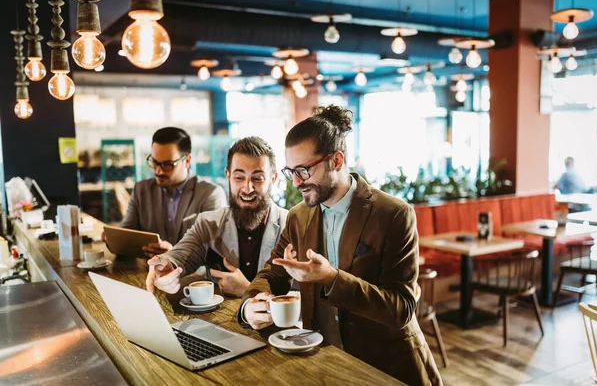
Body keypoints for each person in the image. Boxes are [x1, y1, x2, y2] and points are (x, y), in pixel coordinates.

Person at [239, 106, 442, 385]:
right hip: (325, 364)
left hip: (387, 367)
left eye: (304, 170)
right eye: (291, 172)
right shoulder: (298, 216)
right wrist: (252, 302)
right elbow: (271, 274)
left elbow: (401, 309)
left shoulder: (394, 214)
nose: (296, 182)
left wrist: (333, 279)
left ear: (336, 160)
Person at [145, 136, 288, 297]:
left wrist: (248, 291)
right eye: (239, 177)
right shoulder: (208, 222)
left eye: (257, 178)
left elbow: (302, 296)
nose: (247, 188)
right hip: (218, 320)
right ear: (228, 175)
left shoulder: (292, 226)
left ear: (273, 179)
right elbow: (179, 254)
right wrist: (164, 265)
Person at [120, 127, 227, 257]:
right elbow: (126, 234)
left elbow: (215, 251)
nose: (158, 171)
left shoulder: (210, 194)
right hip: (149, 272)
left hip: (193, 276)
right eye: (154, 162)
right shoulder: (141, 190)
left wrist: (173, 256)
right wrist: (113, 239)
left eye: (167, 164)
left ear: (187, 161)